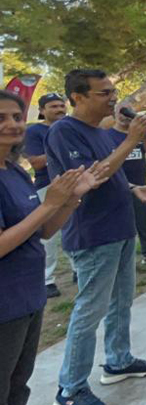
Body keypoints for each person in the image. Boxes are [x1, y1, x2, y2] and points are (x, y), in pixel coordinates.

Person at [45, 70, 146, 405]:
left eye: (112, 92)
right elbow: (86, 179)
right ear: (77, 98)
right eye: (103, 93)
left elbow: (108, 172)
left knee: (121, 302)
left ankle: (118, 361)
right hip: (93, 235)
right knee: (89, 311)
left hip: (121, 229)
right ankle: (70, 389)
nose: (113, 98)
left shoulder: (98, 132)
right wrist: (131, 141)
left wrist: (131, 189)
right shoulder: (63, 131)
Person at [0, 90, 102, 405]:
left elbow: (42, 230)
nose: (13, 124)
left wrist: (73, 197)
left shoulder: (13, 171)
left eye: (16, 116)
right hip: (5, 306)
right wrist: (50, 204)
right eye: (2, 118)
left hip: (28, 300)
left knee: (16, 392)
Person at [23, 92, 72, 297]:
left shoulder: (71, 127)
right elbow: (36, 162)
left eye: (61, 106)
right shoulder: (34, 131)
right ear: (42, 111)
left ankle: (77, 269)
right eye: (53, 106)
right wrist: (61, 151)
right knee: (47, 237)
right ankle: (47, 280)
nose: (59, 109)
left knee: (74, 228)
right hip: (48, 186)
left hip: (73, 184)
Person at [106, 105, 146, 267]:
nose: (124, 117)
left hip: (141, 183)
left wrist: (143, 135)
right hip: (117, 185)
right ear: (114, 115)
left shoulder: (139, 133)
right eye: (121, 113)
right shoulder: (107, 135)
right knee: (118, 221)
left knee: (144, 220)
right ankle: (120, 256)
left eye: (128, 113)